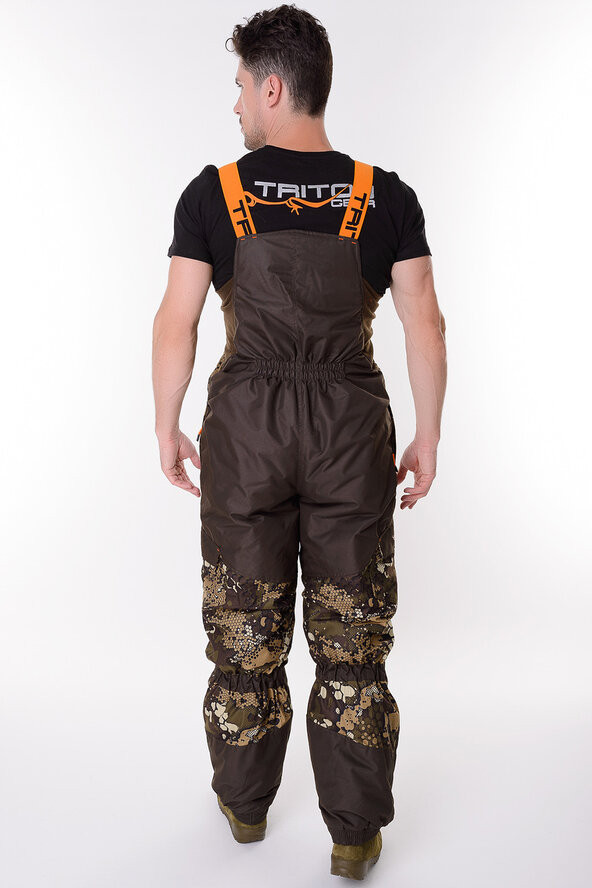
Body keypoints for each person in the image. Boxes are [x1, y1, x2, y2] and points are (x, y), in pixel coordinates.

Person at [152, 4, 446, 880]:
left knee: (245, 629)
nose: (236, 103)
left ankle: (246, 808)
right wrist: (428, 435)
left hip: (246, 430)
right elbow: (425, 323)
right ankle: (353, 834)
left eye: (242, 85)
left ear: (274, 88)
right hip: (351, 430)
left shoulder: (214, 193)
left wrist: (166, 424)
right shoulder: (385, 196)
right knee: (353, 636)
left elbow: (176, 321)